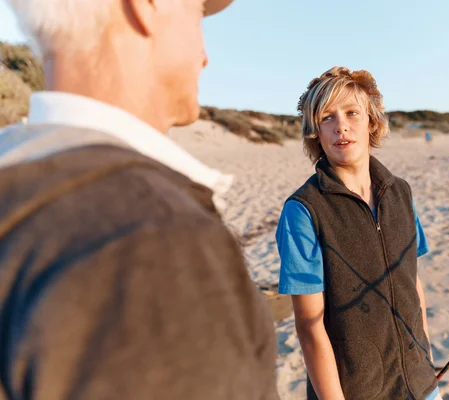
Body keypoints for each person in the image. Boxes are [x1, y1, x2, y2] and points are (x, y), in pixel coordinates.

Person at [0, 0, 279, 399]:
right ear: (146, 6)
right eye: (197, 12)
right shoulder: (153, 241)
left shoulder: (18, 176)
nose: (205, 55)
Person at [276, 67, 441, 399]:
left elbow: (413, 283)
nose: (341, 126)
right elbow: (310, 327)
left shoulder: (401, 193)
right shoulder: (303, 211)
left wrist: (427, 362)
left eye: (352, 112)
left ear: (371, 122)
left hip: (420, 384)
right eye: (327, 117)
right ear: (315, 133)